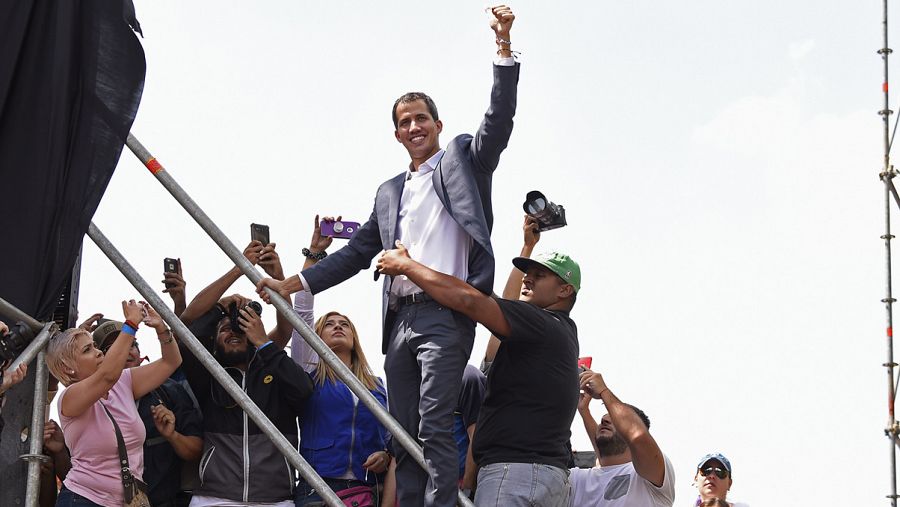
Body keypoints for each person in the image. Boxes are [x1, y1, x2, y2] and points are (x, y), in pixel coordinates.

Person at [258, 8, 519, 505]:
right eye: (405, 122)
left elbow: (498, 122)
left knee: (437, 421)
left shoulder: (464, 159)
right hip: (398, 320)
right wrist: (291, 284)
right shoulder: (389, 191)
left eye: (422, 118)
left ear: (438, 125)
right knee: (404, 432)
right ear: (397, 134)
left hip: (446, 312)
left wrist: (503, 49)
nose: (414, 126)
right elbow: (358, 252)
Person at [375, 238, 581, 507]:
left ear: (565, 290)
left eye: (539, 276)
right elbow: (498, 303)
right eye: (527, 274)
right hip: (543, 476)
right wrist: (526, 246)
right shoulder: (559, 331)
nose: (527, 280)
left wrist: (409, 266)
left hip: (515, 476)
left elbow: (471, 301)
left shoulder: (541, 324)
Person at [179, 245, 314, 507]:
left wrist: (278, 279)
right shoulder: (208, 373)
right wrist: (223, 300)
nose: (233, 333)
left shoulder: (272, 366)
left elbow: (304, 390)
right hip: (214, 498)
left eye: (241, 329)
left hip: (274, 498)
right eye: (225, 329)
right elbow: (186, 325)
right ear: (213, 342)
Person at [288, 216, 392, 506]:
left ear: (354, 336)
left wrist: (385, 456)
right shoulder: (311, 369)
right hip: (317, 488)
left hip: (366, 489)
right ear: (317, 337)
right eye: (329, 324)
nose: (337, 326)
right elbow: (303, 309)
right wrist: (315, 253)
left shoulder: (378, 385)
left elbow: (389, 438)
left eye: (344, 324)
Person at [45, 300, 182, 506]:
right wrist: (131, 324)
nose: (99, 352)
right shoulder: (69, 397)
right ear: (67, 368)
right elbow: (107, 376)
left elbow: (171, 362)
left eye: (95, 346)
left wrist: (161, 328)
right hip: (83, 500)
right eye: (87, 350)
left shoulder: (123, 382)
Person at [93, 320, 203, 507]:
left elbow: (195, 451)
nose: (127, 350)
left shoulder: (170, 390)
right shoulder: (91, 398)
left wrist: (172, 436)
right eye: (115, 347)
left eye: (131, 343)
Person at [571, 370, 675, 507]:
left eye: (615, 419)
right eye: (605, 416)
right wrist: (584, 411)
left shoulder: (647, 478)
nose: (604, 419)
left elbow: (637, 437)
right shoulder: (575, 479)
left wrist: (604, 391)